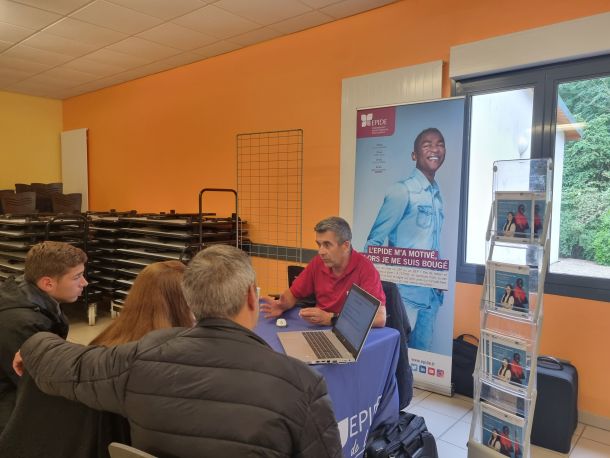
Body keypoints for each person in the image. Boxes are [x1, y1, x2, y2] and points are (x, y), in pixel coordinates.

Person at [14, 245, 342, 458]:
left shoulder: (138, 356)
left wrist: (32, 345)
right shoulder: (302, 383)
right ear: (251, 298)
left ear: (192, 301)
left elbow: (70, 367)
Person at [0, 260, 194, 457]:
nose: (85, 282)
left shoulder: (105, 344)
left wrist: (32, 349)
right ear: (183, 304)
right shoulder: (173, 361)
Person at [364, 127, 446, 351]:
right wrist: (377, 292)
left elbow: (432, 243)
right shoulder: (402, 191)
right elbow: (373, 244)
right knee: (398, 359)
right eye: (427, 145)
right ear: (414, 155)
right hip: (405, 299)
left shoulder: (437, 195)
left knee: (420, 360)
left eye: (439, 144)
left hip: (431, 296)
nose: (435, 149)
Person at [0, 241, 87, 434]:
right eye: (77, 277)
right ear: (48, 283)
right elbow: (33, 384)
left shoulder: (28, 293)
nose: (84, 283)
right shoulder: (22, 324)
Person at [261, 216, 386, 327]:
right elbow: (293, 294)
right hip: (319, 327)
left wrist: (331, 319)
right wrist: (282, 305)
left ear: (345, 246)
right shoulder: (318, 262)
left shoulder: (366, 268)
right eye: (319, 244)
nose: (321, 251)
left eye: (327, 245)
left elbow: (380, 318)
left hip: (347, 332)